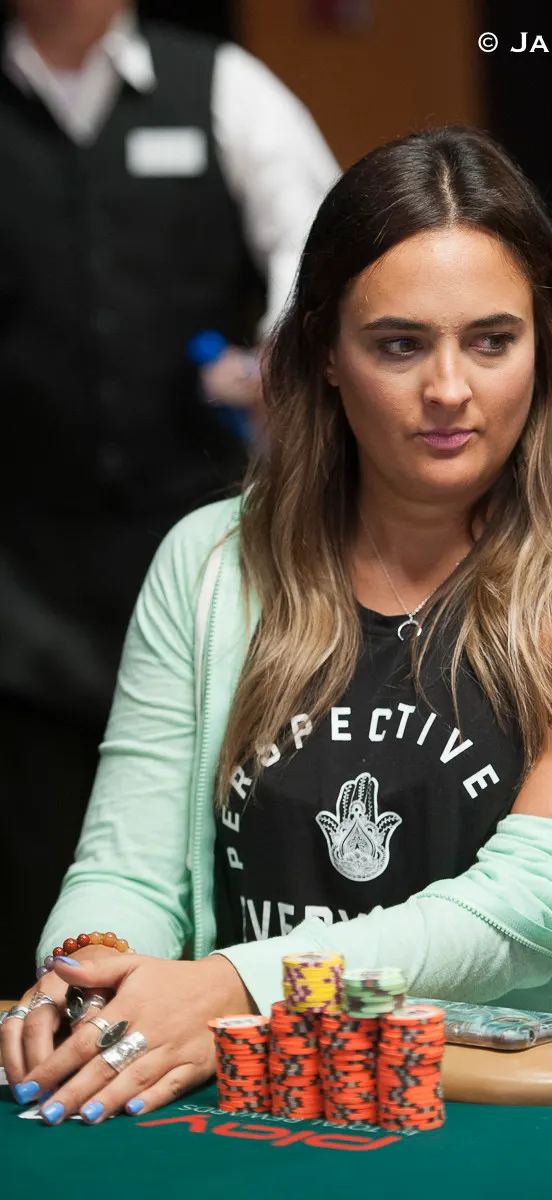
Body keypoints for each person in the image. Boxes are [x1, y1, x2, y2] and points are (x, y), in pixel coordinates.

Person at [0, 125, 552, 1126]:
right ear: (323, 352)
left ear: (546, 344)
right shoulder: (208, 560)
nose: (449, 388)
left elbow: (530, 910)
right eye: (400, 344)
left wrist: (235, 986)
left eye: (492, 341)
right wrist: (92, 973)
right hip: (288, 1095)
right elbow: (126, 868)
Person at [0, 0, 339, 997]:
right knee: (31, 832)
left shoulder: (221, 86)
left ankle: (203, 1020)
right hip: (19, 558)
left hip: (199, 537)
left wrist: (279, 352)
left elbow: (323, 246)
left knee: (216, 821)